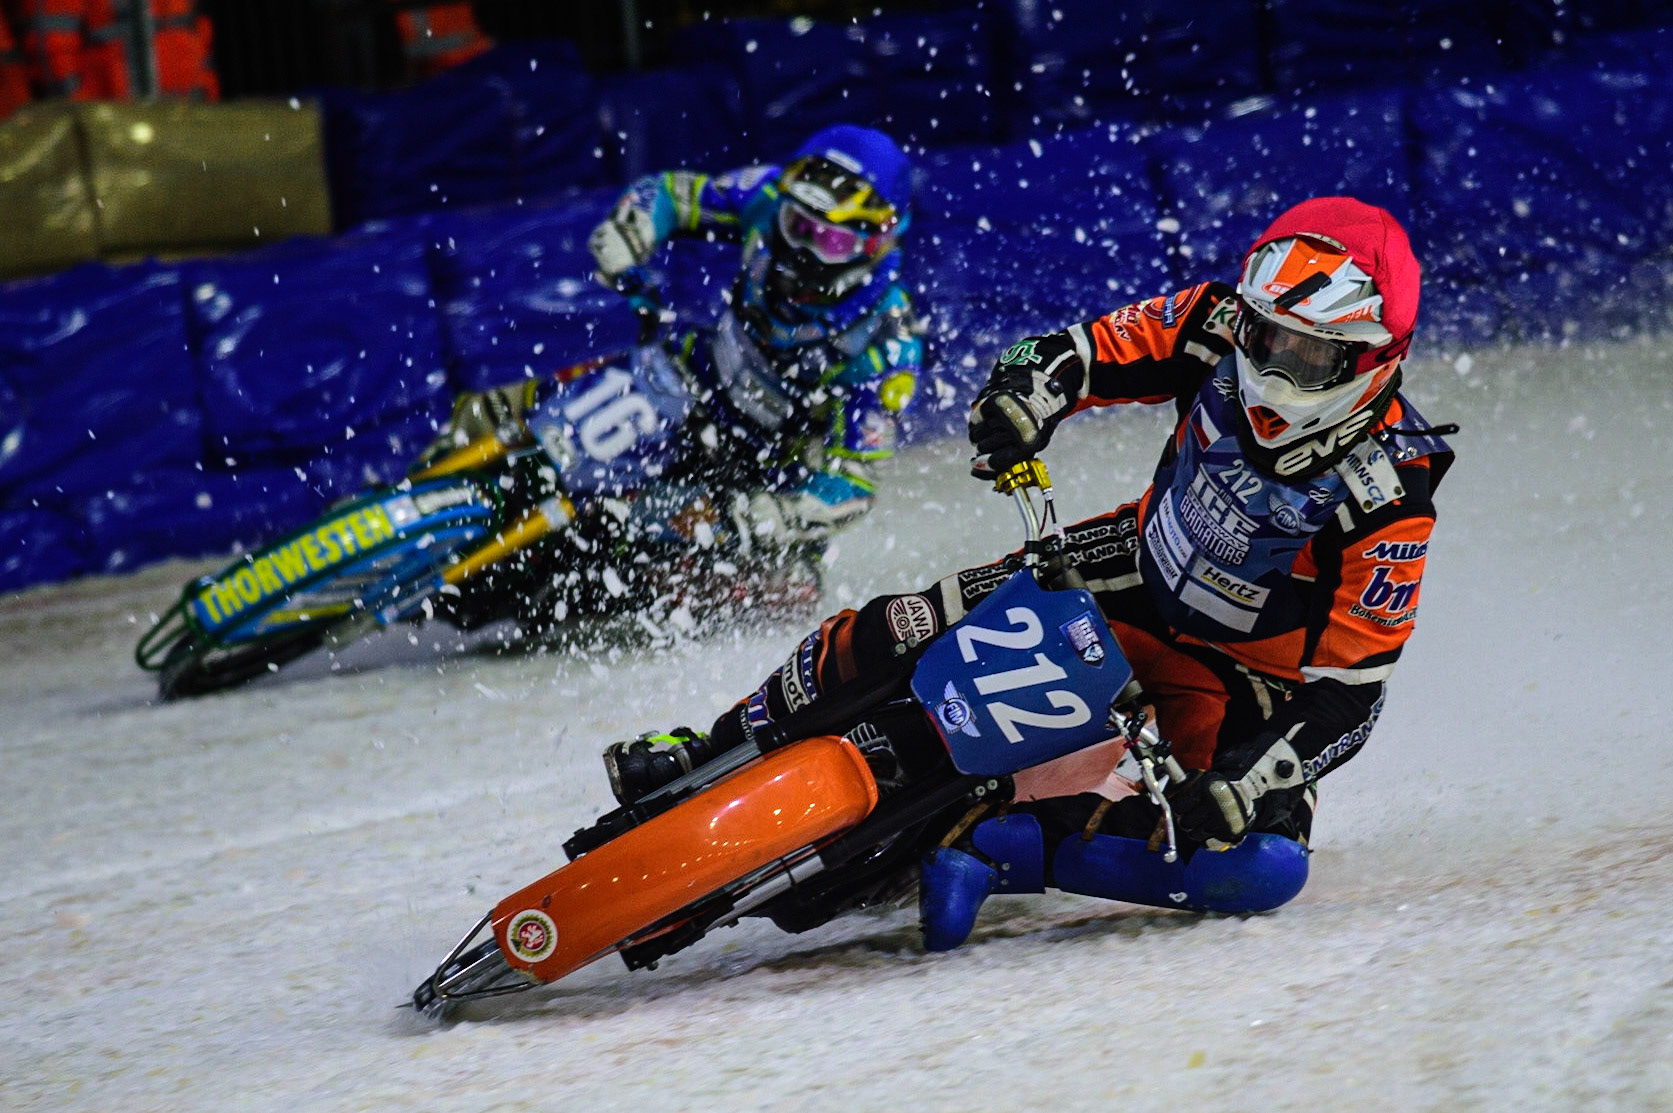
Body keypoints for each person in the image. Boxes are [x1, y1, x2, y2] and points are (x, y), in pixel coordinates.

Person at [600, 195, 1454, 950]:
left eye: (1306, 355)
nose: (1270, 369)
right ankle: (712, 744)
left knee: (1260, 864)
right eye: (1264, 333)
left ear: (1371, 358)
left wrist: (1251, 778)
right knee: (903, 623)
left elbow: (1351, 690)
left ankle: (1004, 842)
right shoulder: (1212, 321)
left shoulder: (1391, 492)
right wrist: (1021, 401)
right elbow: (1069, 351)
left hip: (1243, 677)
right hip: (1127, 565)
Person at [584, 122, 923, 551]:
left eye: (830, 242)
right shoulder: (767, 195)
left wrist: (791, 512)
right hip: (696, 378)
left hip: (765, 477)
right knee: (552, 417)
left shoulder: (887, 343)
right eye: (797, 226)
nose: (801, 251)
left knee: (704, 556)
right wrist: (633, 228)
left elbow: (855, 481)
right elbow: (672, 193)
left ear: (878, 241)